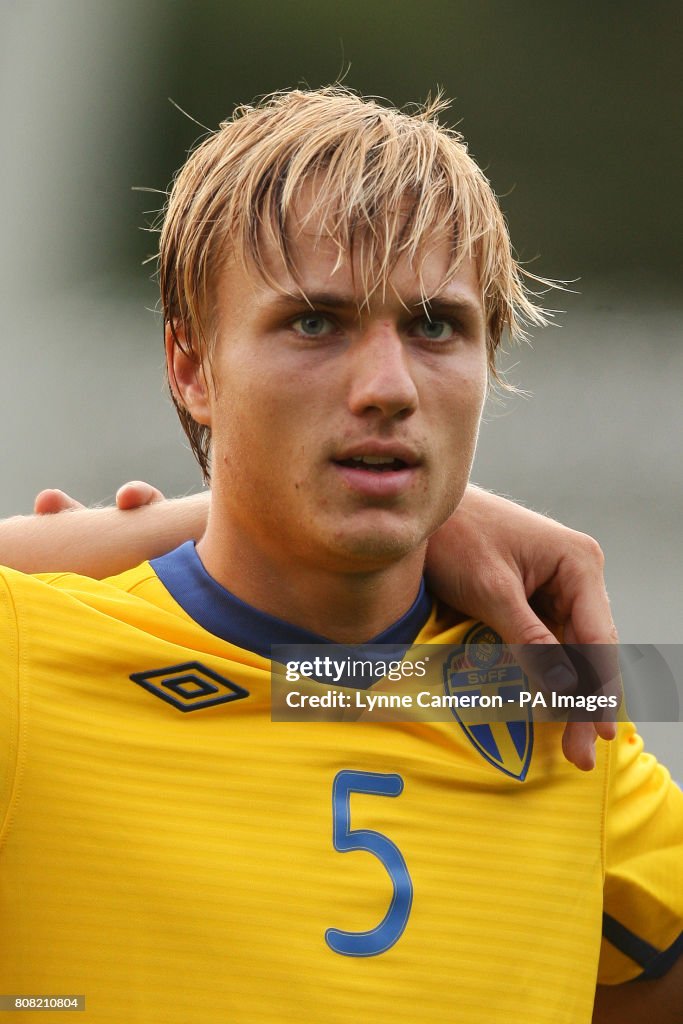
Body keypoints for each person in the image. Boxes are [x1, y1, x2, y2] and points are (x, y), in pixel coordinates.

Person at [0, 87, 680, 1024]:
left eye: (435, 326)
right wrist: (171, 526)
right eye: (314, 323)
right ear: (191, 367)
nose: (388, 388)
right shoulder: (27, 665)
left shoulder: (551, 705)